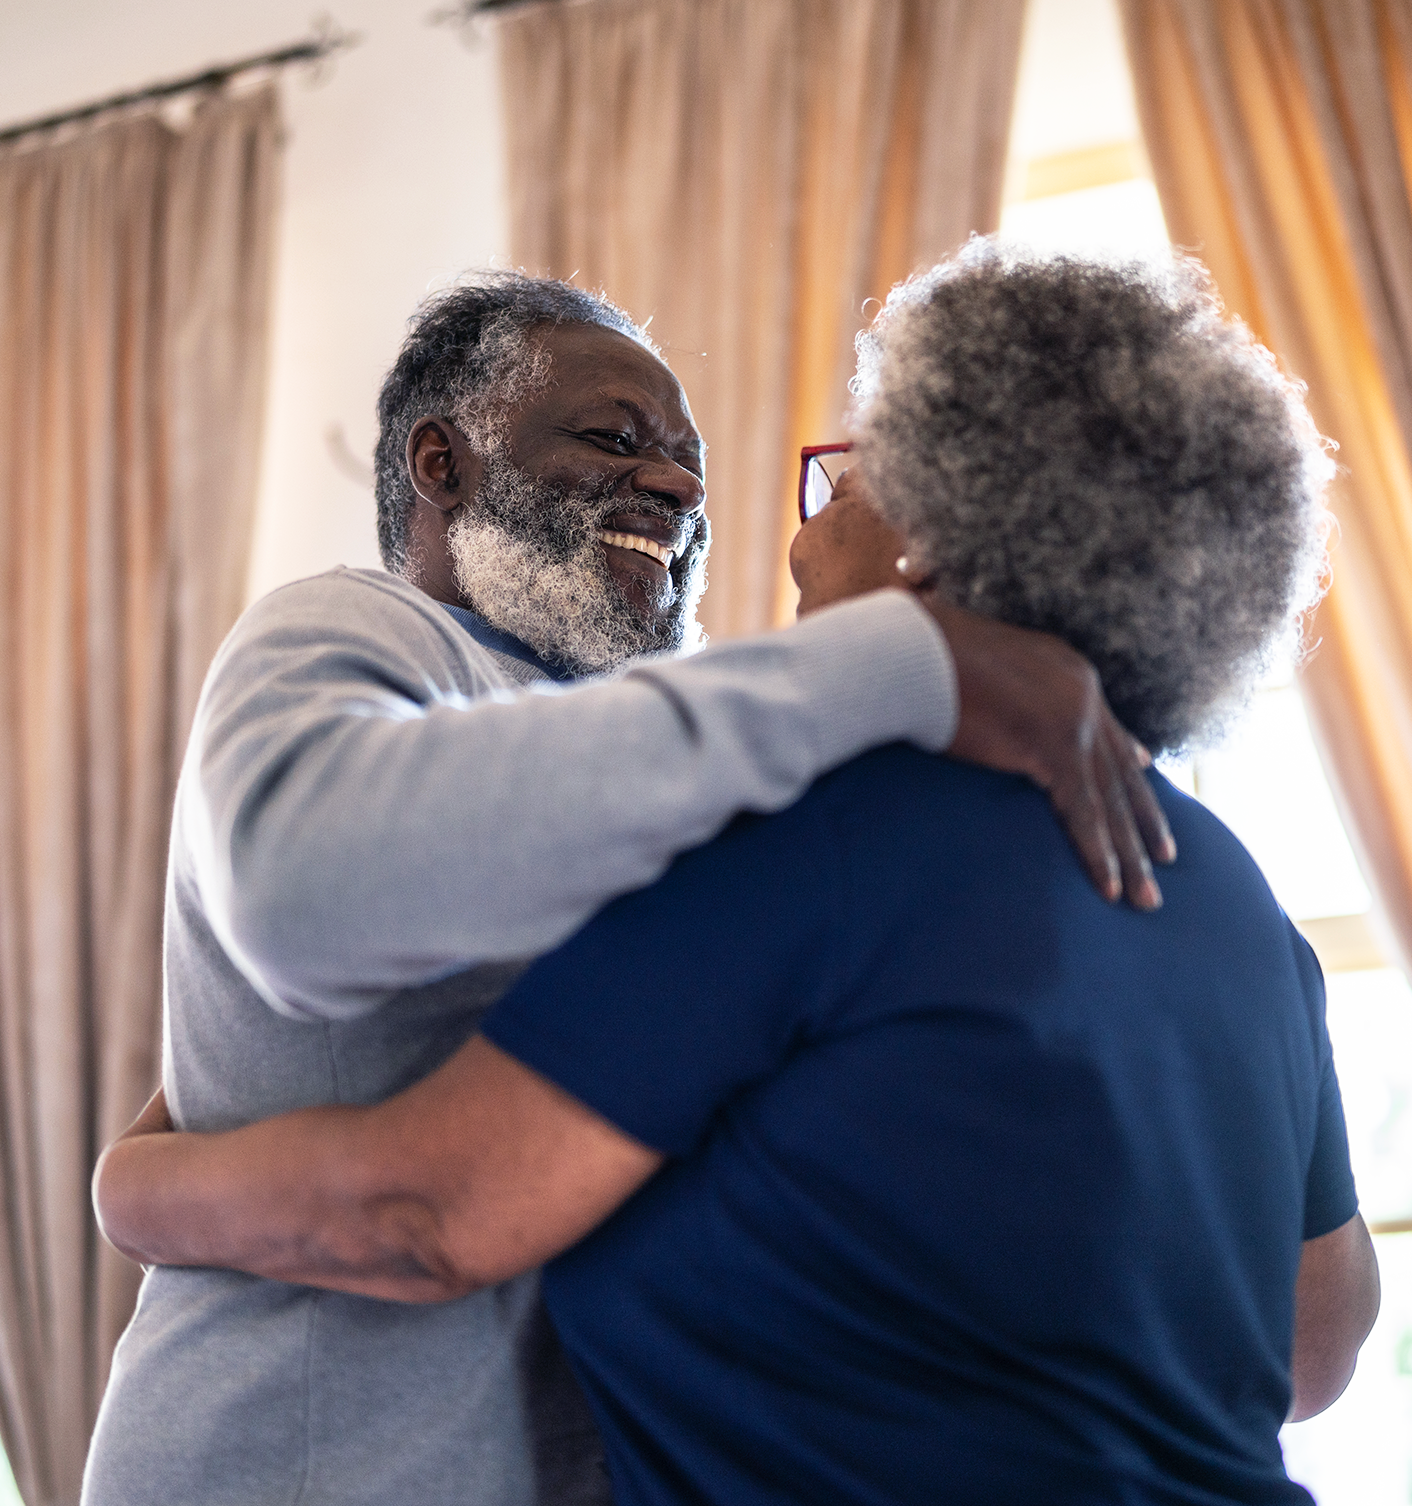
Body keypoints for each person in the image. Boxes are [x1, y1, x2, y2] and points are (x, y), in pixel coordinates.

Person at [97, 245, 1381, 1504]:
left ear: (937, 537)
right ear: (442, 462)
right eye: (613, 441)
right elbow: (1311, 1347)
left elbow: (431, 1206)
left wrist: (143, 1191)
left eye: (846, 481)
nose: (707, 504)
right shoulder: (1226, 896)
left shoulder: (808, 841)